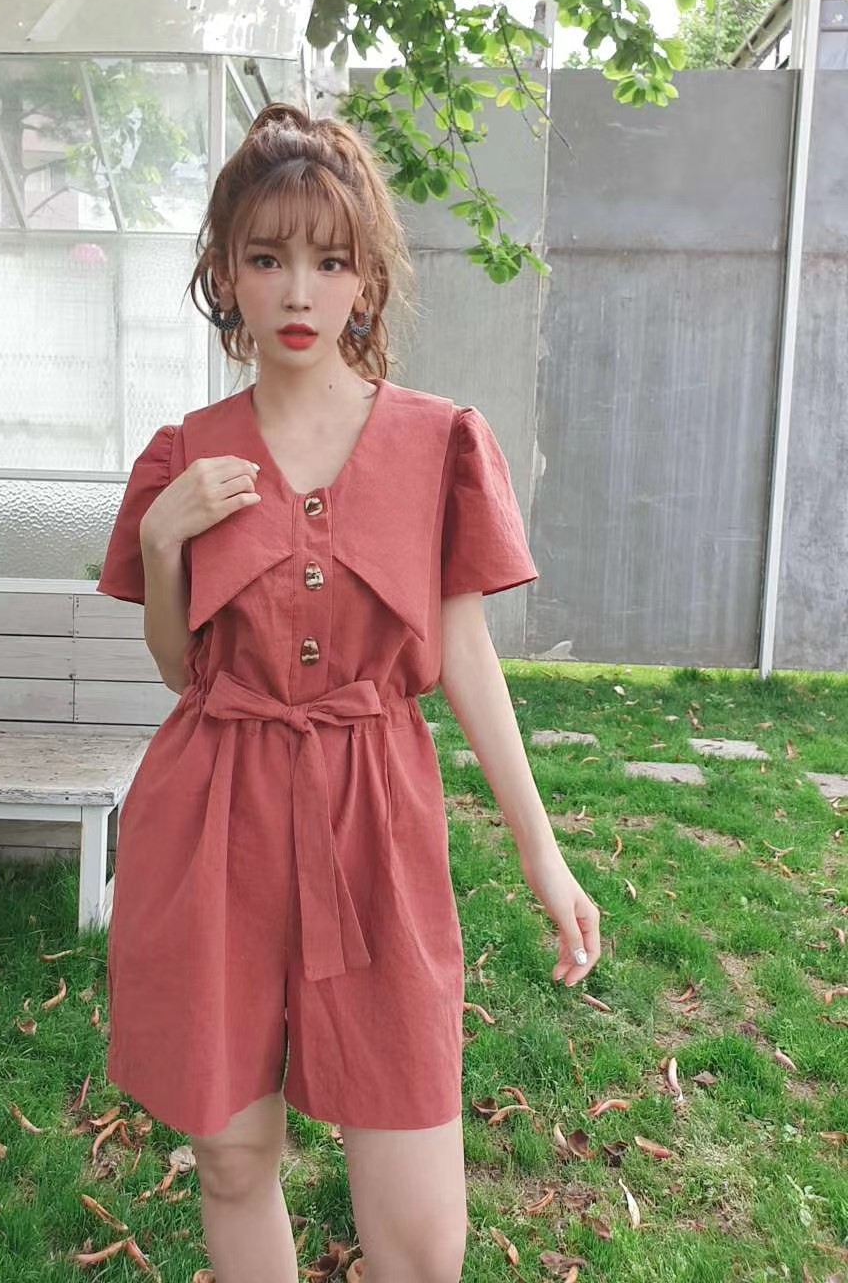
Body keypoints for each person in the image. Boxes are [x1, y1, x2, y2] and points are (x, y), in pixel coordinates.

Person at [97, 102, 601, 1283]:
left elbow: (465, 654)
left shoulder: (436, 443)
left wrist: (542, 852)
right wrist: (165, 542)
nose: (298, 291)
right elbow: (180, 671)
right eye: (267, 258)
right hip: (213, 818)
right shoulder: (185, 454)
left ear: (368, 280)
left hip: (375, 817)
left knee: (420, 1226)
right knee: (233, 1159)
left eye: (329, 261)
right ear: (226, 274)